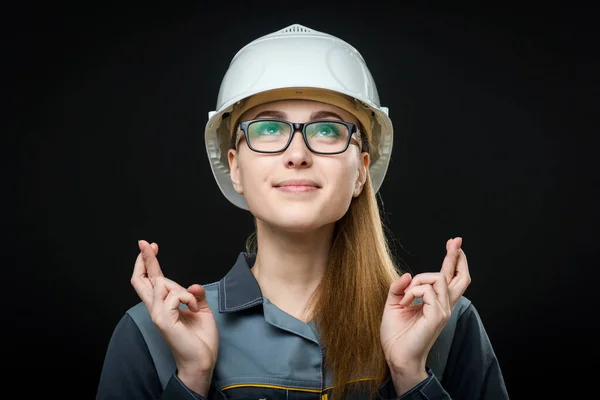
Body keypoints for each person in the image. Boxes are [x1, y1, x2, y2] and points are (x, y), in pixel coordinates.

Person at [96, 24, 509, 399]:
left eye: (328, 130)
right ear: (236, 167)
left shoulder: (445, 325)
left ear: (362, 170)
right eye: (268, 129)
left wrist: (409, 375)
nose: (297, 154)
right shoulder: (153, 332)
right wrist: (191, 377)